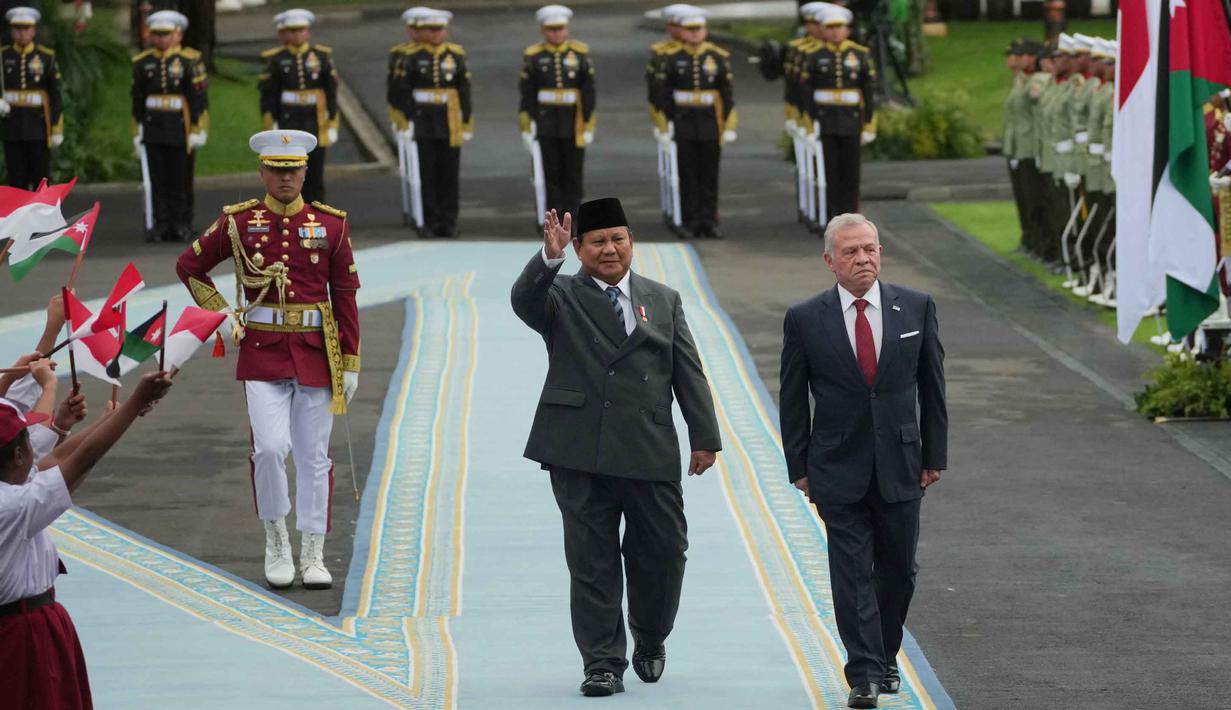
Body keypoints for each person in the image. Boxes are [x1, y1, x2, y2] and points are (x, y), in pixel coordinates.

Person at [510, 198, 722, 697]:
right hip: (577, 449)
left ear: (631, 242)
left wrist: (704, 437)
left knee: (665, 553)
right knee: (592, 561)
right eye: (598, 241)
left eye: (618, 238)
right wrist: (548, 258)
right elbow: (523, 300)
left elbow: (687, 369)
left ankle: (650, 636)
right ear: (579, 248)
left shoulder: (663, 299)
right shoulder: (559, 295)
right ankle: (602, 662)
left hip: (648, 446)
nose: (610, 249)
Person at [174, 129, 361, 591]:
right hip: (261, 351)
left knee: (315, 457)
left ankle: (313, 549)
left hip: (317, 354)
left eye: (293, 170)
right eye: (276, 170)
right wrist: (222, 317)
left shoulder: (331, 225)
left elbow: (346, 294)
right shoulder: (238, 222)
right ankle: (276, 538)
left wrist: (351, 360)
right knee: (271, 448)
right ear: (262, 172)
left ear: (305, 171)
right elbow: (189, 266)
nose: (285, 178)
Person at [778, 213, 947, 709]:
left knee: (898, 572)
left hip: (902, 465)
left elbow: (933, 389)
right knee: (851, 572)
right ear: (830, 261)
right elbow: (792, 398)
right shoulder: (806, 318)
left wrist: (934, 455)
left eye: (870, 248)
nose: (863, 259)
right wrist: (799, 465)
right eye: (850, 252)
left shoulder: (915, 308)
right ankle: (865, 674)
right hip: (836, 467)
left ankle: (885, 656)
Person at [1, 369, 173, 710]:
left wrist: (118, 418)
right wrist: (136, 400)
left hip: (29, 625)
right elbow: (76, 462)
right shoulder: (11, 506)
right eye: (29, 440)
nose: (37, 448)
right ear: (19, 455)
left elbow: (59, 461)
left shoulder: (13, 489)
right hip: (20, 637)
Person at [387, 8, 472, 238]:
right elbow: (401, 91)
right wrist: (406, 119)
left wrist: (465, 121)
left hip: (449, 120)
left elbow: (463, 90)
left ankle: (449, 221)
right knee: (428, 174)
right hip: (423, 120)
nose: (435, 34)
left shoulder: (455, 56)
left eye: (439, 29)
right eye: (431, 30)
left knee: (449, 174)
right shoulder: (411, 57)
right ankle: (431, 220)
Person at [654, 7, 736, 239]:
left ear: (705, 31)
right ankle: (690, 219)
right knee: (688, 173)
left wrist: (726, 123)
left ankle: (709, 221)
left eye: (698, 29)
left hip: (710, 122)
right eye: (689, 30)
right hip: (684, 122)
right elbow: (664, 93)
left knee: (710, 174)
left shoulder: (717, 57)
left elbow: (726, 94)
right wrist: (667, 122)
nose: (694, 34)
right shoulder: (672, 58)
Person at [131, 10, 208, 243]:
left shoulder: (189, 61)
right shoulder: (143, 63)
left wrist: (197, 128)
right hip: (154, 129)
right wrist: (137, 131)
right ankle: (161, 224)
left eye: (166, 34)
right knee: (157, 180)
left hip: (180, 129)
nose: (161, 39)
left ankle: (182, 222)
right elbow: (137, 99)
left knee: (180, 179)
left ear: (178, 35)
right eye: (157, 34)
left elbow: (199, 98)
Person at [796, 4, 876, 225]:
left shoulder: (860, 55)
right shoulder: (814, 56)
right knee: (830, 173)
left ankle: (852, 218)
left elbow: (868, 92)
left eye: (839, 27)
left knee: (851, 173)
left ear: (847, 30)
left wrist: (869, 123)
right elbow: (806, 92)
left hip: (851, 121)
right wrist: (809, 123)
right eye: (830, 27)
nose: (835, 32)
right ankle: (832, 218)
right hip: (826, 120)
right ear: (822, 30)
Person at [519, 4, 596, 222]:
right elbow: (527, 93)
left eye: (560, 28)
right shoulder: (534, 57)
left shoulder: (580, 55)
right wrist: (528, 124)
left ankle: (574, 221)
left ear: (567, 29)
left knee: (573, 175)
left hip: (573, 122)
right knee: (549, 175)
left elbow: (588, 91)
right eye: (551, 29)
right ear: (543, 31)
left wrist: (589, 122)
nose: (556, 33)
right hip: (546, 123)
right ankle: (552, 221)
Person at [258, 8, 338, 204]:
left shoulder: (321, 56)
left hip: (316, 119)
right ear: (286, 33)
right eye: (292, 31)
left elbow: (331, 91)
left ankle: (318, 215)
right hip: (289, 119)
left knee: (316, 170)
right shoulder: (276, 59)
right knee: (291, 170)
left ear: (308, 32)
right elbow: (269, 94)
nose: (297, 34)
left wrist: (332, 121)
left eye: (301, 30)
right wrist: (272, 121)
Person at [0, 7, 61, 190]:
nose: (22, 33)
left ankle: (42, 219)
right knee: (16, 181)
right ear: (12, 31)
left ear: (34, 30)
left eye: (26, 28)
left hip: (39, 128)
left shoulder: (46, 57)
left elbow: (55, 94)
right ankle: (19, 219)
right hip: (12, 127)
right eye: (18, 29)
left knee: (41, 178)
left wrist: (56, 128)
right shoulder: (3, 56)